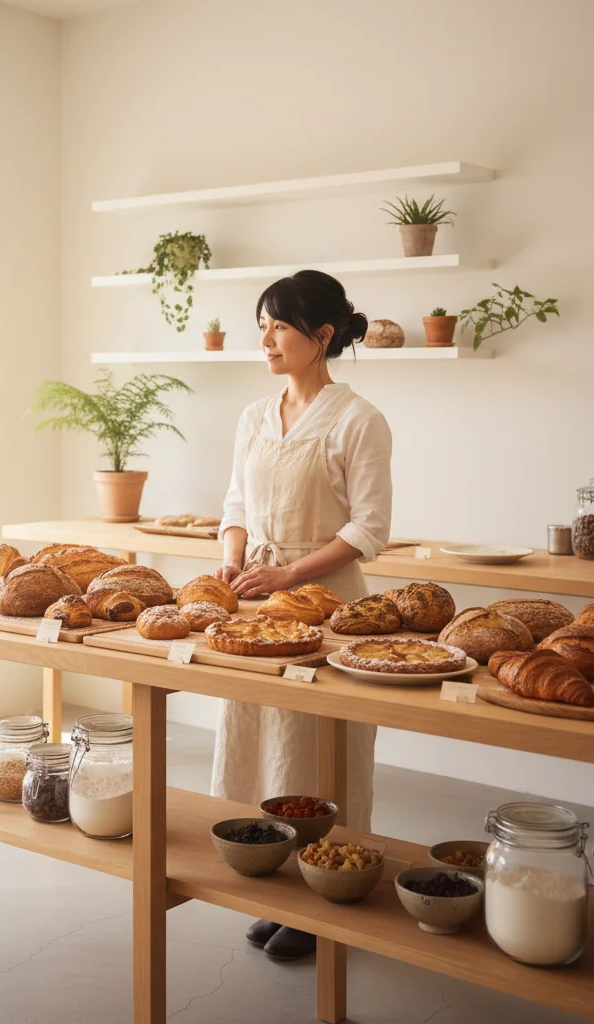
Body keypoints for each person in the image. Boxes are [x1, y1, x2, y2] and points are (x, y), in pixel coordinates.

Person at [212, 269, 393, 961]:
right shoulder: (254, 417)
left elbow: (369, 528)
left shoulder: (358, 420)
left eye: (280, 327)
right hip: (258, 602)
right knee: (260, 739)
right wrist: (233, 558)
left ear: (322, 335)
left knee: (318, 750)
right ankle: (276, 880)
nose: (266, 340)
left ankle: (326, 896)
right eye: (262, 326)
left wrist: (289, 574)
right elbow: (235, 503)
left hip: (328, 604)